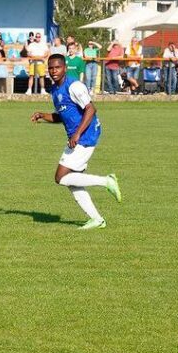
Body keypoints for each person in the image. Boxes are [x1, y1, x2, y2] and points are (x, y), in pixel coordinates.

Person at [31, 54, 122, 229]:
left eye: (57, 67)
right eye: (51, 68)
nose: (53, 71)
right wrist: (43, 115)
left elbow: (90, 109)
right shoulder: (55, 90)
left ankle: (107, 181)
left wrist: (77, 134)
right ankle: (97, 219)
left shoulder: (74, 86)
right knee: (71, 182)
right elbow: (61, 116)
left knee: (60, 177)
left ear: (65, 68)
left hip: (86, 135)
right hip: (77, 136)